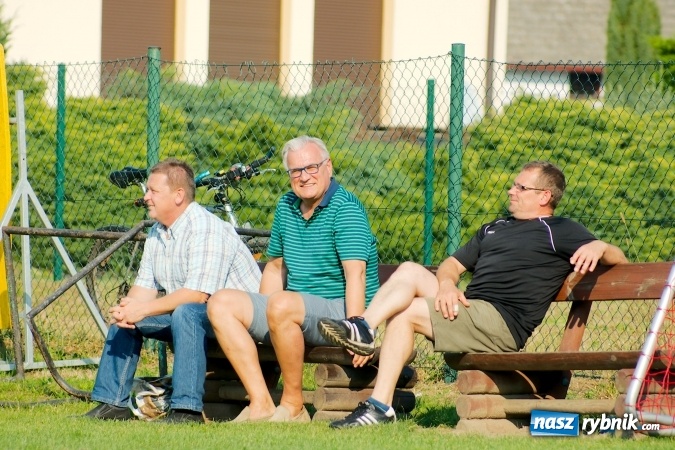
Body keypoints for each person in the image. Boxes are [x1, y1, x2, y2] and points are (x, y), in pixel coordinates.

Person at [318, 160, 629, 428]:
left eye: (520, 187)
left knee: (407, 313)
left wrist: (599, 245)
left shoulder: (559, 229)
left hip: (501, 324)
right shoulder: (495, 227)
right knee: (411, 269)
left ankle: (379, 404)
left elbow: (621, 261)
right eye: (513, 185)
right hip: (471, 308)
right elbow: (451, 265)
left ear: (544, 196)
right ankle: (364, 328)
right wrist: (446, 285)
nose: (511, 191)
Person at [206, 135, 379, 422]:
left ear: (328, 166)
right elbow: (275, 268)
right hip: (292, 308)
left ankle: (293, 405)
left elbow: (356, 275)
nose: (304, 176)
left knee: (282, 304)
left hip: (338, 311)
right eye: (296, 171)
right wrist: (264, 314)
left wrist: (357, 331)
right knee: (220, 303)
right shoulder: (286, 205)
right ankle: (261, 402)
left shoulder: (346, 209)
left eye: (311, 167)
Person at [85, 158, 261, 423]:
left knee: (186, 313)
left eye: (153, 191)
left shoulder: (206, 228)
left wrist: (141, 310)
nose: (146, 197)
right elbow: (144, 288)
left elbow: (198, 295)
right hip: (196, 317)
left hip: (241, 322)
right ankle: (112, 404)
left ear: (178, 195)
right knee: (129, 318)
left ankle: (186, 410)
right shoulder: (157, 232)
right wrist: (127, 309)